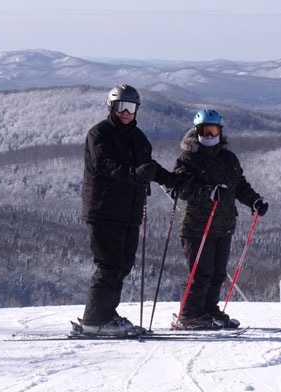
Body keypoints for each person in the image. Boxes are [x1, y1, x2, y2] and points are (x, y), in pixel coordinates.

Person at [80, 84, 183, 335]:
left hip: (130, 211)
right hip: (104, 209)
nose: (126, 113)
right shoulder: (99, 134)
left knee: (123, 264)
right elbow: (105, 165)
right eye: (120, 107)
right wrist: (134, 174)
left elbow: (148, 168)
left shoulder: (139, 138)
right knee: (108, 265)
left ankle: (106, 312)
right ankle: (94, 320)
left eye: (131, 107)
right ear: (111, 107)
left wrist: (171, 180)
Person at [173, 109, 269, 328]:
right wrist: (207, 192)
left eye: (213, 130)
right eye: (203, 131)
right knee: (201, 271)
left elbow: (240, 185)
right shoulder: (188, 158)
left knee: (217, 272)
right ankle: (189, 314)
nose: (208, 135)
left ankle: (208, 309)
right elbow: (181, 188)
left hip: (223, 224)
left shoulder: (228, 158)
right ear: (195, 132)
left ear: (220, 131)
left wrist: (254, 201)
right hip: (197, 225)